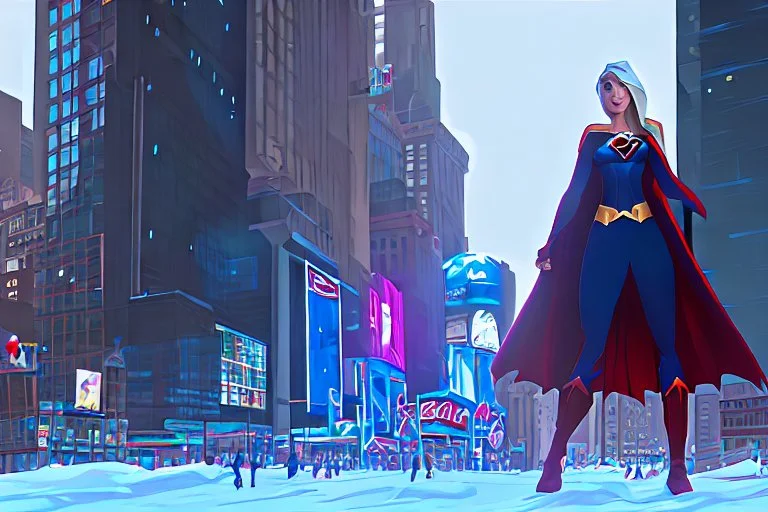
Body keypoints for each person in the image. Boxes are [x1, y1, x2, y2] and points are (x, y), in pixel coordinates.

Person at [490, 61, 768, 496]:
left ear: (632, 91)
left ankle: (678, 467)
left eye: (619, 85)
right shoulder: (593, 138)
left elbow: (665, 182)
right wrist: (551, 243)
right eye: (605, 86)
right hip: (602, 243)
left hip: (648, 241)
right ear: (599, 94)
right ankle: (554, 459)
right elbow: (575, 192)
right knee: (590, 349)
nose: (613, 93)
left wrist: (695, 200)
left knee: (668, 348)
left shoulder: (649, 135)